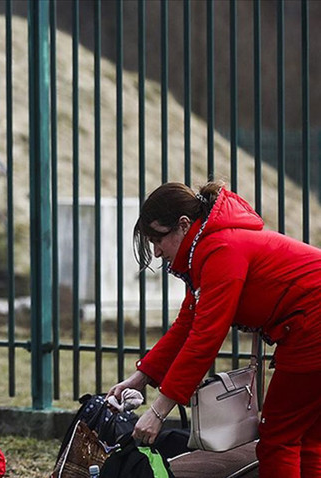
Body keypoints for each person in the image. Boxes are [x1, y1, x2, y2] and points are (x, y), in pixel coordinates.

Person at [108, 181, 321, 477]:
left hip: (313, 327)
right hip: (309, 325)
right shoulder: (207, 249)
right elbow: (187, 324)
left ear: (183, 225)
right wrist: (142, 376)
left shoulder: (221, 249)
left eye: (158, 239)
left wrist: (158, 412)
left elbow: (204, 338)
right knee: (309, 437)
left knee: (278, 439)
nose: (156, 252)